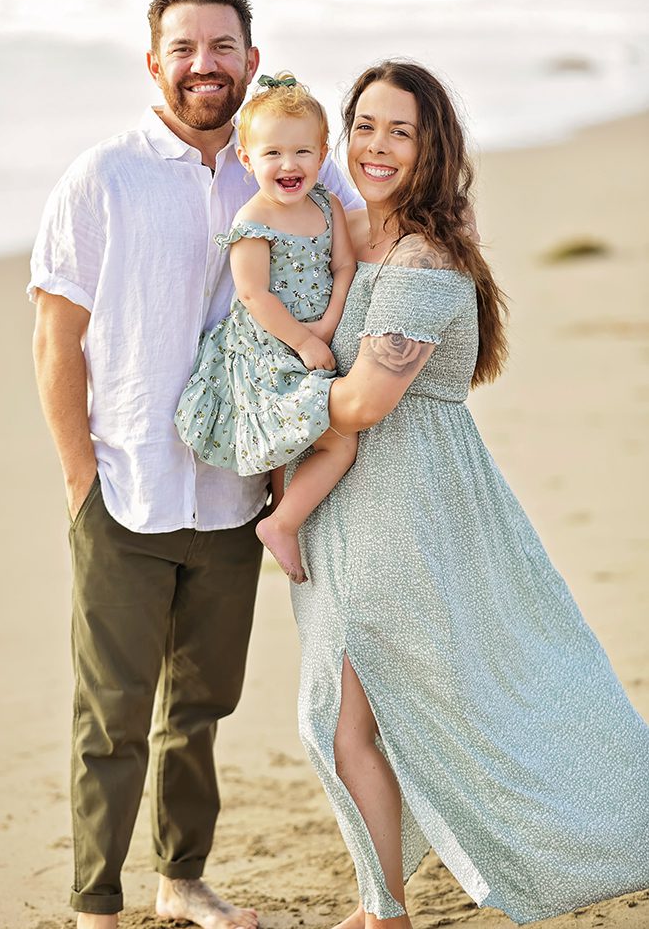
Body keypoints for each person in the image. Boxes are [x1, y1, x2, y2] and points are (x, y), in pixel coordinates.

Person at [28, 0, 361, 929]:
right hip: (124, 485)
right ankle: (96, 903)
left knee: (201, 706)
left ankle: (181, 880)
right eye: (183, 48)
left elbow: (375, 224)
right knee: (112, 715)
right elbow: (56, 337)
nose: (203, 65)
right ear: (153, 64)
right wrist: (79, 477)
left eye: (221, 47)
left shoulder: (291, 169)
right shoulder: (103, 176)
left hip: (236, 490)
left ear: (251, 62)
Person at [289, 60, 649, 928]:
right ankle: (383, 904)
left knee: (362, 715)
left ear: (431, 146)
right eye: (364, 126)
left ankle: (385, 913)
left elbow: (369, 400)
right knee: (377, 713)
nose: (377, 146)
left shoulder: (424, 253)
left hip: (403, 498)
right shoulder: (355, 232)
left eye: (400, 131)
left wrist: (276, 402)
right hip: (351, 494)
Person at [175, 73, 358, 583]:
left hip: (319, 334)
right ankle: (281, 522)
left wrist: (328, 322)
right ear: (247, 159)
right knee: (336, 439)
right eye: (272, 153)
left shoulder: (327, 205)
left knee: (310, 439)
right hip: (269, 346)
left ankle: (289, 515)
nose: (289, 165)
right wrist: (302, 338)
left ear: (322, 155)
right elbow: (255, 296)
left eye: (302, 152)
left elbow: (343, 267)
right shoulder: (253, 222)